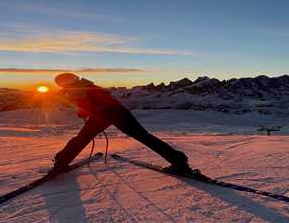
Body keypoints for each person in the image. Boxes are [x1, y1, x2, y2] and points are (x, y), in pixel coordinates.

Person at [51, 73, 192, 174]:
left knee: (82, 138)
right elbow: (93, 103)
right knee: (144, 136)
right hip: (114, 113)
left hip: (112, 114)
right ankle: (179, 161)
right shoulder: (79, 88)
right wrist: (85, 111)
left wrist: (89, 111)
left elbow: (104, 103)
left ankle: (61, 162)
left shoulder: (85, 88)